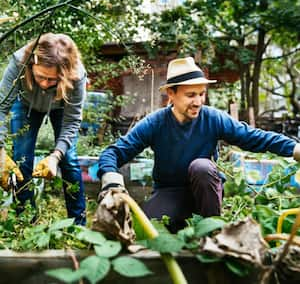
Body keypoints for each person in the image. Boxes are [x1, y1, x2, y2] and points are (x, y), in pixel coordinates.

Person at [96, 56, 300, 233]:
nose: (198, 101)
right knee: (143, 231)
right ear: (171, 94)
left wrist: (294, 148)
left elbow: (255, 137)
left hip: (205, 193)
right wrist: (113, 182)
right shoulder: (155, 123)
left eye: (201, 93)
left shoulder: (213, 118)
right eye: (190, 95)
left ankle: (213, 231)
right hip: (169, 192)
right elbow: (113, 153)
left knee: (201, 166)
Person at [0, 33, 87, 225]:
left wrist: (55, 156)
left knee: (69, 160)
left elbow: (72, 121)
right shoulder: (18, 62)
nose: (45, 84)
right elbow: (1, 107)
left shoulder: (76, 75)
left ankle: (78, 225)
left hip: (61, 104)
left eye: (52, 80)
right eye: (41, 77)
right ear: (32, 64)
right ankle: (26, 221)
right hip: (25, 103)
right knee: (21, 158)